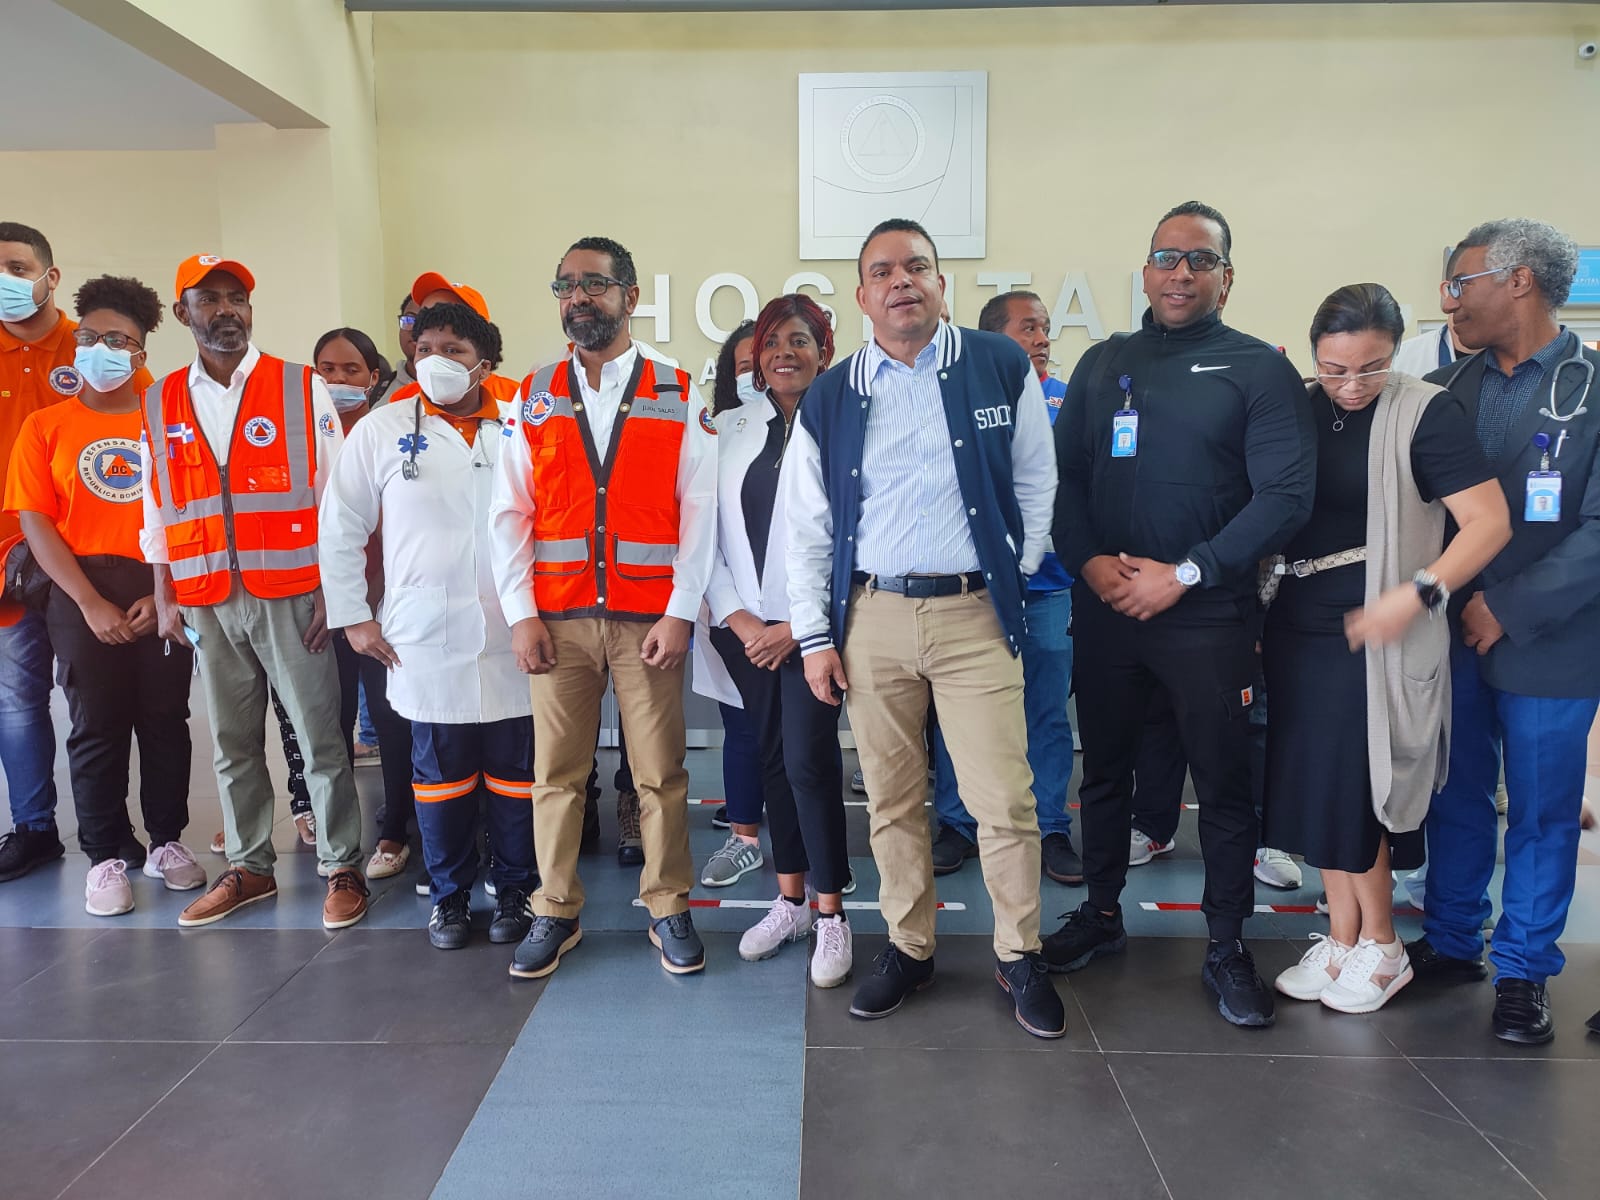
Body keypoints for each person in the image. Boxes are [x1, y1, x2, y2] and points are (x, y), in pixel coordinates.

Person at [785, 218, 1065, 1039]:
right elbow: (807, 529)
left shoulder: (998, 363)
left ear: (942, 284)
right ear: (862, 295)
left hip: (977, 614)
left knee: (1003, 800)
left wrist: (1015, 571)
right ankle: (909, 947)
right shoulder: (831, 394)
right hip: (872, 618)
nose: (901, 281)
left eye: (917, 267)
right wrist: (815, 637)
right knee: (893, 801)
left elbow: (1036, 478)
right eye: (883, 271)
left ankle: (1019, 953)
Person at [1046, 201, 1316, 1029]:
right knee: (1104, 774)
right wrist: (1090, 564)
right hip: (1108, 609)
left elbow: (1285, 496)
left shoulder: (1257, 369)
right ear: (1146, 270)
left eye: (1200, 260)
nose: (1181, 272)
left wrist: (1187, 573)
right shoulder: (1104, 364)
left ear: (1226, 278)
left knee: (1223, 786)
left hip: (1208, 615)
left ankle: (1226, 944)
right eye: (1167, 257)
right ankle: (1100, 914)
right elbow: (1063, 482)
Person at [1264, 283, 1508, 1014]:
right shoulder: (1302, 404)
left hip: (1378, 625)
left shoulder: (1427, 411)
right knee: (1315, 783)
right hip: (1300, 620)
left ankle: (1385, 945)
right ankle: (1342, 937)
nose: (1350, 384)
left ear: (1396, 352)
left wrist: (1420, 593)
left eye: (1370, 367)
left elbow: (1489, 523)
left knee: (1354, 788)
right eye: (1334, 367)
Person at [491, 235, 716, 978]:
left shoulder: (675, 390)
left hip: (649, 621)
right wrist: (520, 612)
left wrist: (681, 610)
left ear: (630, 295)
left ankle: (668, 905)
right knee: (556, 776)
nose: (578, 298)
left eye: (594, 284)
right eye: (566, 286)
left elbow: (700, 511)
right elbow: (509, 511)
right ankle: (555, 910)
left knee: (659, 774)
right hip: (557, 621)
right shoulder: (533, 393)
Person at [1410, 219, 1600, 1045]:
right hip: (1447, 631)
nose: (1448, 299)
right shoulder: (1441, 389)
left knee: (1541, 809)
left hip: (1553, 638)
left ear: (1518, 280)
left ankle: (1523, 969)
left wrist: (1507, 607)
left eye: (1461, 282)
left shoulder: (1593, 387)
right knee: (1453, 792)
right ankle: (1453, 939)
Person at [140, 254, 368, 930]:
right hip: (206, 594)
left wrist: (335, 590)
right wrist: (165, 592)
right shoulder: (159, 399)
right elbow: (157, 504)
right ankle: (249, 867)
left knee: (318, 735)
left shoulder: (300, 386)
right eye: (209, 298)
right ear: (183, 312)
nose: (226, 310)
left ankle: (341, 865)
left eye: (236, 298)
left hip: (291, 591)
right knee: (233, 742)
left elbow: (335, 500)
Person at [321, 301, 535, 949]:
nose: (435, 361)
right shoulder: (382, 429)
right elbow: (341, 524)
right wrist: (353, 616)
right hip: (422, 637)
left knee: (516, 776)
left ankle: (517, 889)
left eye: (454, 351)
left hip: (513, 630)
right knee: (440, 777)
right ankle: (449, 896)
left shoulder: (521, 423)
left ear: (485, 365)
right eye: (425, 350)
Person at [3, 275, 205, 914]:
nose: (101, 350)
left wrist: (165, 591)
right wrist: (89, 602)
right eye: (89, 337)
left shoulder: (170, 420)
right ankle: (105, 855)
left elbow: (191, 508)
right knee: (96, 724)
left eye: (118, 340)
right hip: (79, 588)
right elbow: (35, 520)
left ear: (142, 351)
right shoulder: (46, 426)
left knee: (166, 720)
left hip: (160, 583)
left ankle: (167, 841)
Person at [705, 293, 853, 986]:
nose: (783, 353)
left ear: (824, 350)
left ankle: (831, 913)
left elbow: (856, 537)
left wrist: (799, 627)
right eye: (771, 343)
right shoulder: (727, 428)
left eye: (799, 340)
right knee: (769, 761)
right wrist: (740, 620)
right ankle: (789, 902)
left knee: (808, 764)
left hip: (813, 632)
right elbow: (702, 534)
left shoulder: (848, 422)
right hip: (746, 631)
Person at [0, 222, 151, 883]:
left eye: (15, 266)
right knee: (18, 698)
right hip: (11, 555)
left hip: (95, 558)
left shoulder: (93, 342)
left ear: (49, 276)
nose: (5, 281)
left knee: (109, 704)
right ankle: (35, 829)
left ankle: (134, 836)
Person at [927, 290, 1081, 886]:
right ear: (994, 340)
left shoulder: (1067, 401)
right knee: (958, 713)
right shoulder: (960, 395)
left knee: (1045, 712)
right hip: (974, 590)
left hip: (1047, 588)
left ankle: (1050, 827)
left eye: (1045, 328)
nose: (1042, 339)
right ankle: (957, 822)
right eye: (1028, 329)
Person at [312, 326, 416, 879]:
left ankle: (396, 827)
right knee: (330, 723)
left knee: (390, 719)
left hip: (381, 603)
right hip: (320, 604)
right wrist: (330, 597)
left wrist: (366, 598)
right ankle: (336, 835)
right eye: (326, 369)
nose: (337, 380)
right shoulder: (302, 433)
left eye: (350, 370)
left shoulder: (385, 430)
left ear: (373, 377)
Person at [692, 319, 769, 883]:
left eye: (761, 363)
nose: (755, 375)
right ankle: (744, 838)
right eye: (743, 366)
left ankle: (815, 850)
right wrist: (736, 614)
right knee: (743, 728)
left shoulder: (819, 425)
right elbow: (703, 533)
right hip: (732, 616)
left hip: (800, 621)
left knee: (804, 740)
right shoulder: (713, 432)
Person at [386, 274, 521, 405]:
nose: (431, 326)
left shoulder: (515, 397)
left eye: (447, 315)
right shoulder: (402, 399)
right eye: (425, 315)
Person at [373, 293, 420, 405]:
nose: (417, 329)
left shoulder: (460, 392)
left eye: (429, 321)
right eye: (409, 320)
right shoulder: (380, 391)